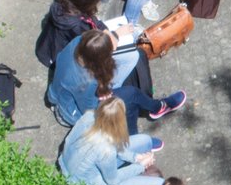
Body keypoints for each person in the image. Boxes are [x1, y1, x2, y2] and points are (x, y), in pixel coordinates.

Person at [47, 29, 187, 131]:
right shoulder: (89, 81)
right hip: (70, 113)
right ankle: (158, 107)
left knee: (134, 55)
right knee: (131, 95)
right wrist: (104, 99)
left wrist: (115, 34)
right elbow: (88, 110)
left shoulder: (77, 42)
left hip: (62, 91)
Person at [59, 97, 166, 185]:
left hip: (68, 164)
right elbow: (112, 181)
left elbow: (113, 143)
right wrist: (140, 166)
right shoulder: (107, 150)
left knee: (145, 140)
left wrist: (135, 157)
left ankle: (140, 162)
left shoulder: (89, 116)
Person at [34, 0, 110, 68]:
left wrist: (102, 27)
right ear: (89, 4)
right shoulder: (78, 25)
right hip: (55, 58)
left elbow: (89, 18)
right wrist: (110, 35)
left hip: (44, 47)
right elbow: (89, 43)